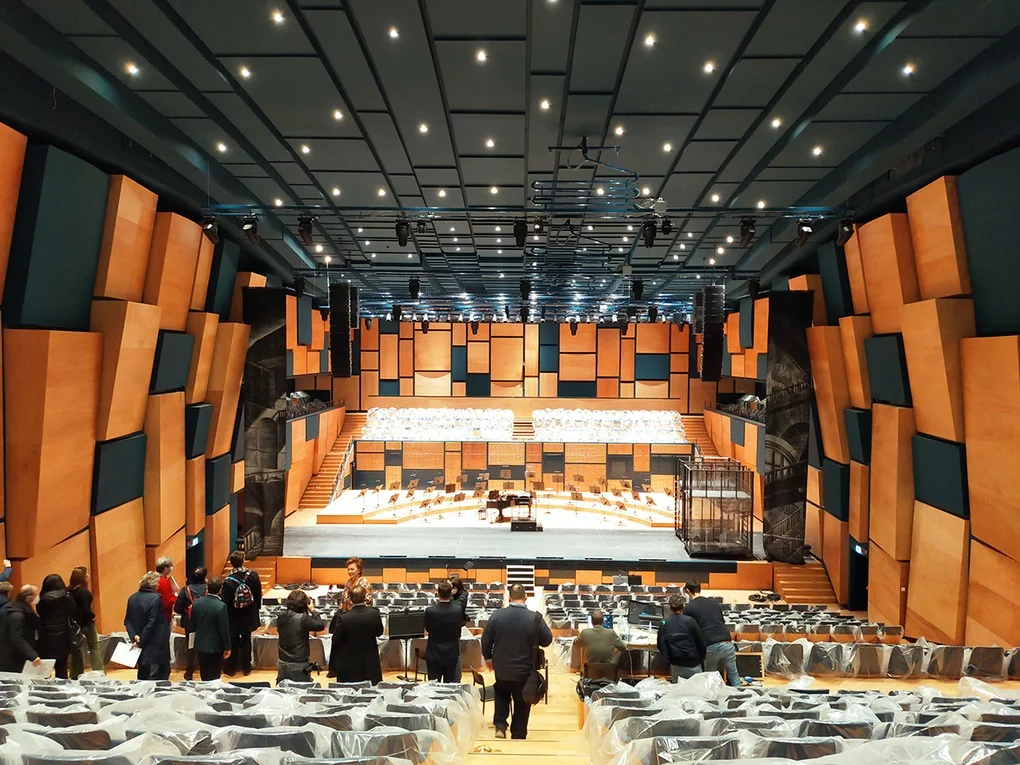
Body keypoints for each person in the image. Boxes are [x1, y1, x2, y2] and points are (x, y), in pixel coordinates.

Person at [481, 583, 552, 740]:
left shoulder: (497, 615)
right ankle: (518, 733)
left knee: (501, 692)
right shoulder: (535, 618)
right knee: (522, 700)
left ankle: (500, 726)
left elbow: (485, 640)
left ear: (509, 597)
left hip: (501, 667)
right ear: (526, 597)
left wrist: (488, 658)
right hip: (524, 669)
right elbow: (547, 640)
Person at [683, 581, 740, 687]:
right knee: (734, 676)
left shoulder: (689, 608)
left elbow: (690, 630)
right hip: (727, 641)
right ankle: (742, 700)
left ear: (687, 591)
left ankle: (712, 702)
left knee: (710, 678)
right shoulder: (714, 602)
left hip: (711, 644)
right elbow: (721, 621)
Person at [329, 585, 383, 683]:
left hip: (350, 663)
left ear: (350, 599)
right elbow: (379, 633)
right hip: (370, 662)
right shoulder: (375, 613)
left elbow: (336, 639)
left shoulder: (344, 618)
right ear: (365, 597)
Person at [221, 550, 262, 676]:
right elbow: (258, 595)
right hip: (248, 614)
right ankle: (246, 667)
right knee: (246, 640)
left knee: (233, 641)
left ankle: (231, 668)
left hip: (233, 616)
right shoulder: (253, 575)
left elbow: (225, 601)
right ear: (243, 561)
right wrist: (256, 609)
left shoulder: (227, 581)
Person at [125, 571, 171, 680]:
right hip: (155, 645)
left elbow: (128, 621)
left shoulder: (132, 598)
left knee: (143, 675)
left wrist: (135, 636)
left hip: (140, 643)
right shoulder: (156, 599)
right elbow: (152, 623)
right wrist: (141, 640)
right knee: (158, 677)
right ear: (154, 584)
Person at [276, 590, 325, 683]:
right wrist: (313, 610)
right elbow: (320, 625)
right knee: (301, 690)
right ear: (305, 605)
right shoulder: (304, 619)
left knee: (283, 689)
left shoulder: (281, 616)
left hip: (282, 661)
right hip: (299, 663)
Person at [657, 594, 706, 682]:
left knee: (678, 692)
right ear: (683, 606)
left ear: (669, 607)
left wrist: (669, 659)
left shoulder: (664, 623)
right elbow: (701, 643)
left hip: (676, 664)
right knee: (696, 692)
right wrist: (700, 659)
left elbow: (661, 645)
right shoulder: (690, 621)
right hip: (693, 663)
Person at [37, 574, 77, 680]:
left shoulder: (42, 598)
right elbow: (73, 611)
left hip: (46, 635)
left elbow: (39, 612)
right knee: (62, 666)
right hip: (63, 634)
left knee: (45, 667)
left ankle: (44, 690)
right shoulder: (67, 596)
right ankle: (62, 690)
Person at [190, 576, 231, 681]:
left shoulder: (197, 603)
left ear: (207, 588)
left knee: (204, 674)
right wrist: (227, 647)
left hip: (200, 644)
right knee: (214, 676)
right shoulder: (221, 606)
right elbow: (224, 630)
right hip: (215, 647)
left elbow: (192, 624)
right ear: (220, 589)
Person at [424, 581, 464, 682]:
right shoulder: (458, 610)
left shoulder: (430, 611)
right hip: (451, 654)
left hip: (434, 654)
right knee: (450, 689)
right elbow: (458, 630)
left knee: (433, 689)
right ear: (451, 593)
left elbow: (428, 629)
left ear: (438, 593)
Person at [68, 566, 104, 678]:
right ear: (82, 577)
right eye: (86, 574)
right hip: (87, 623)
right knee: (94, 647)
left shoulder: (68, 591)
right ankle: (99, 672)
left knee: (77, 649)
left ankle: (75, 674)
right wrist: (93, 616)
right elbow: (86, 609)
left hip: (74, 625)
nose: (88, 576)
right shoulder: (84, 592)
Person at [174, 567, 209, 681]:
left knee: (190, 648)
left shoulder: (185, 590)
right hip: (206, 623)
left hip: (190, 624)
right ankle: (206, 671)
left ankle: (189, 672)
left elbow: (177, 609)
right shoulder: (208, 588)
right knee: (205, 646)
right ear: (204, 577)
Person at [0, 585, 42, 672]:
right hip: (13, 657)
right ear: (29, 598)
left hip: (14, 655)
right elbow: (17, 638)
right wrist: (32, 655)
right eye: (36, 595)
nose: (38, 597)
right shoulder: (17, 614)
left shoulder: (15, 608)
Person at [155, 557, 178, 625]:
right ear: (166, 568)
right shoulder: (164, 582)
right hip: (163, 615)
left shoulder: (153, 579)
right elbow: (167, 602)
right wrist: (176, 597)